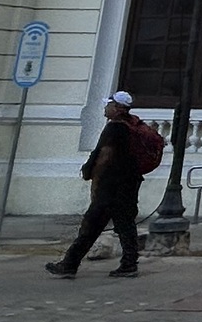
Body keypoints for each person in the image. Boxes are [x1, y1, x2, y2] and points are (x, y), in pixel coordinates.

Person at [47, 91, 144, 279]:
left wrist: (95, 183)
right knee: (125, 226)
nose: (106, 108)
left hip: (110, 187)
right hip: (128, 184)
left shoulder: (114, 128)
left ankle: (69, 265)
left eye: (109, 105)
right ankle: (129, 264)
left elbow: (104, 157)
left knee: (90, 226)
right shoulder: (131, 127)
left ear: (118, 108)